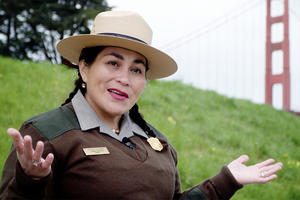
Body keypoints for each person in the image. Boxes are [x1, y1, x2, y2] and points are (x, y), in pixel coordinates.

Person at [0, 10, 282, 200]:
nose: (124, 79)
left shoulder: (157, 141)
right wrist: (31, 180)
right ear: (84, 68)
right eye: (113, 63)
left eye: (136, 70)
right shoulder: (43, 135)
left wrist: (227, 180)